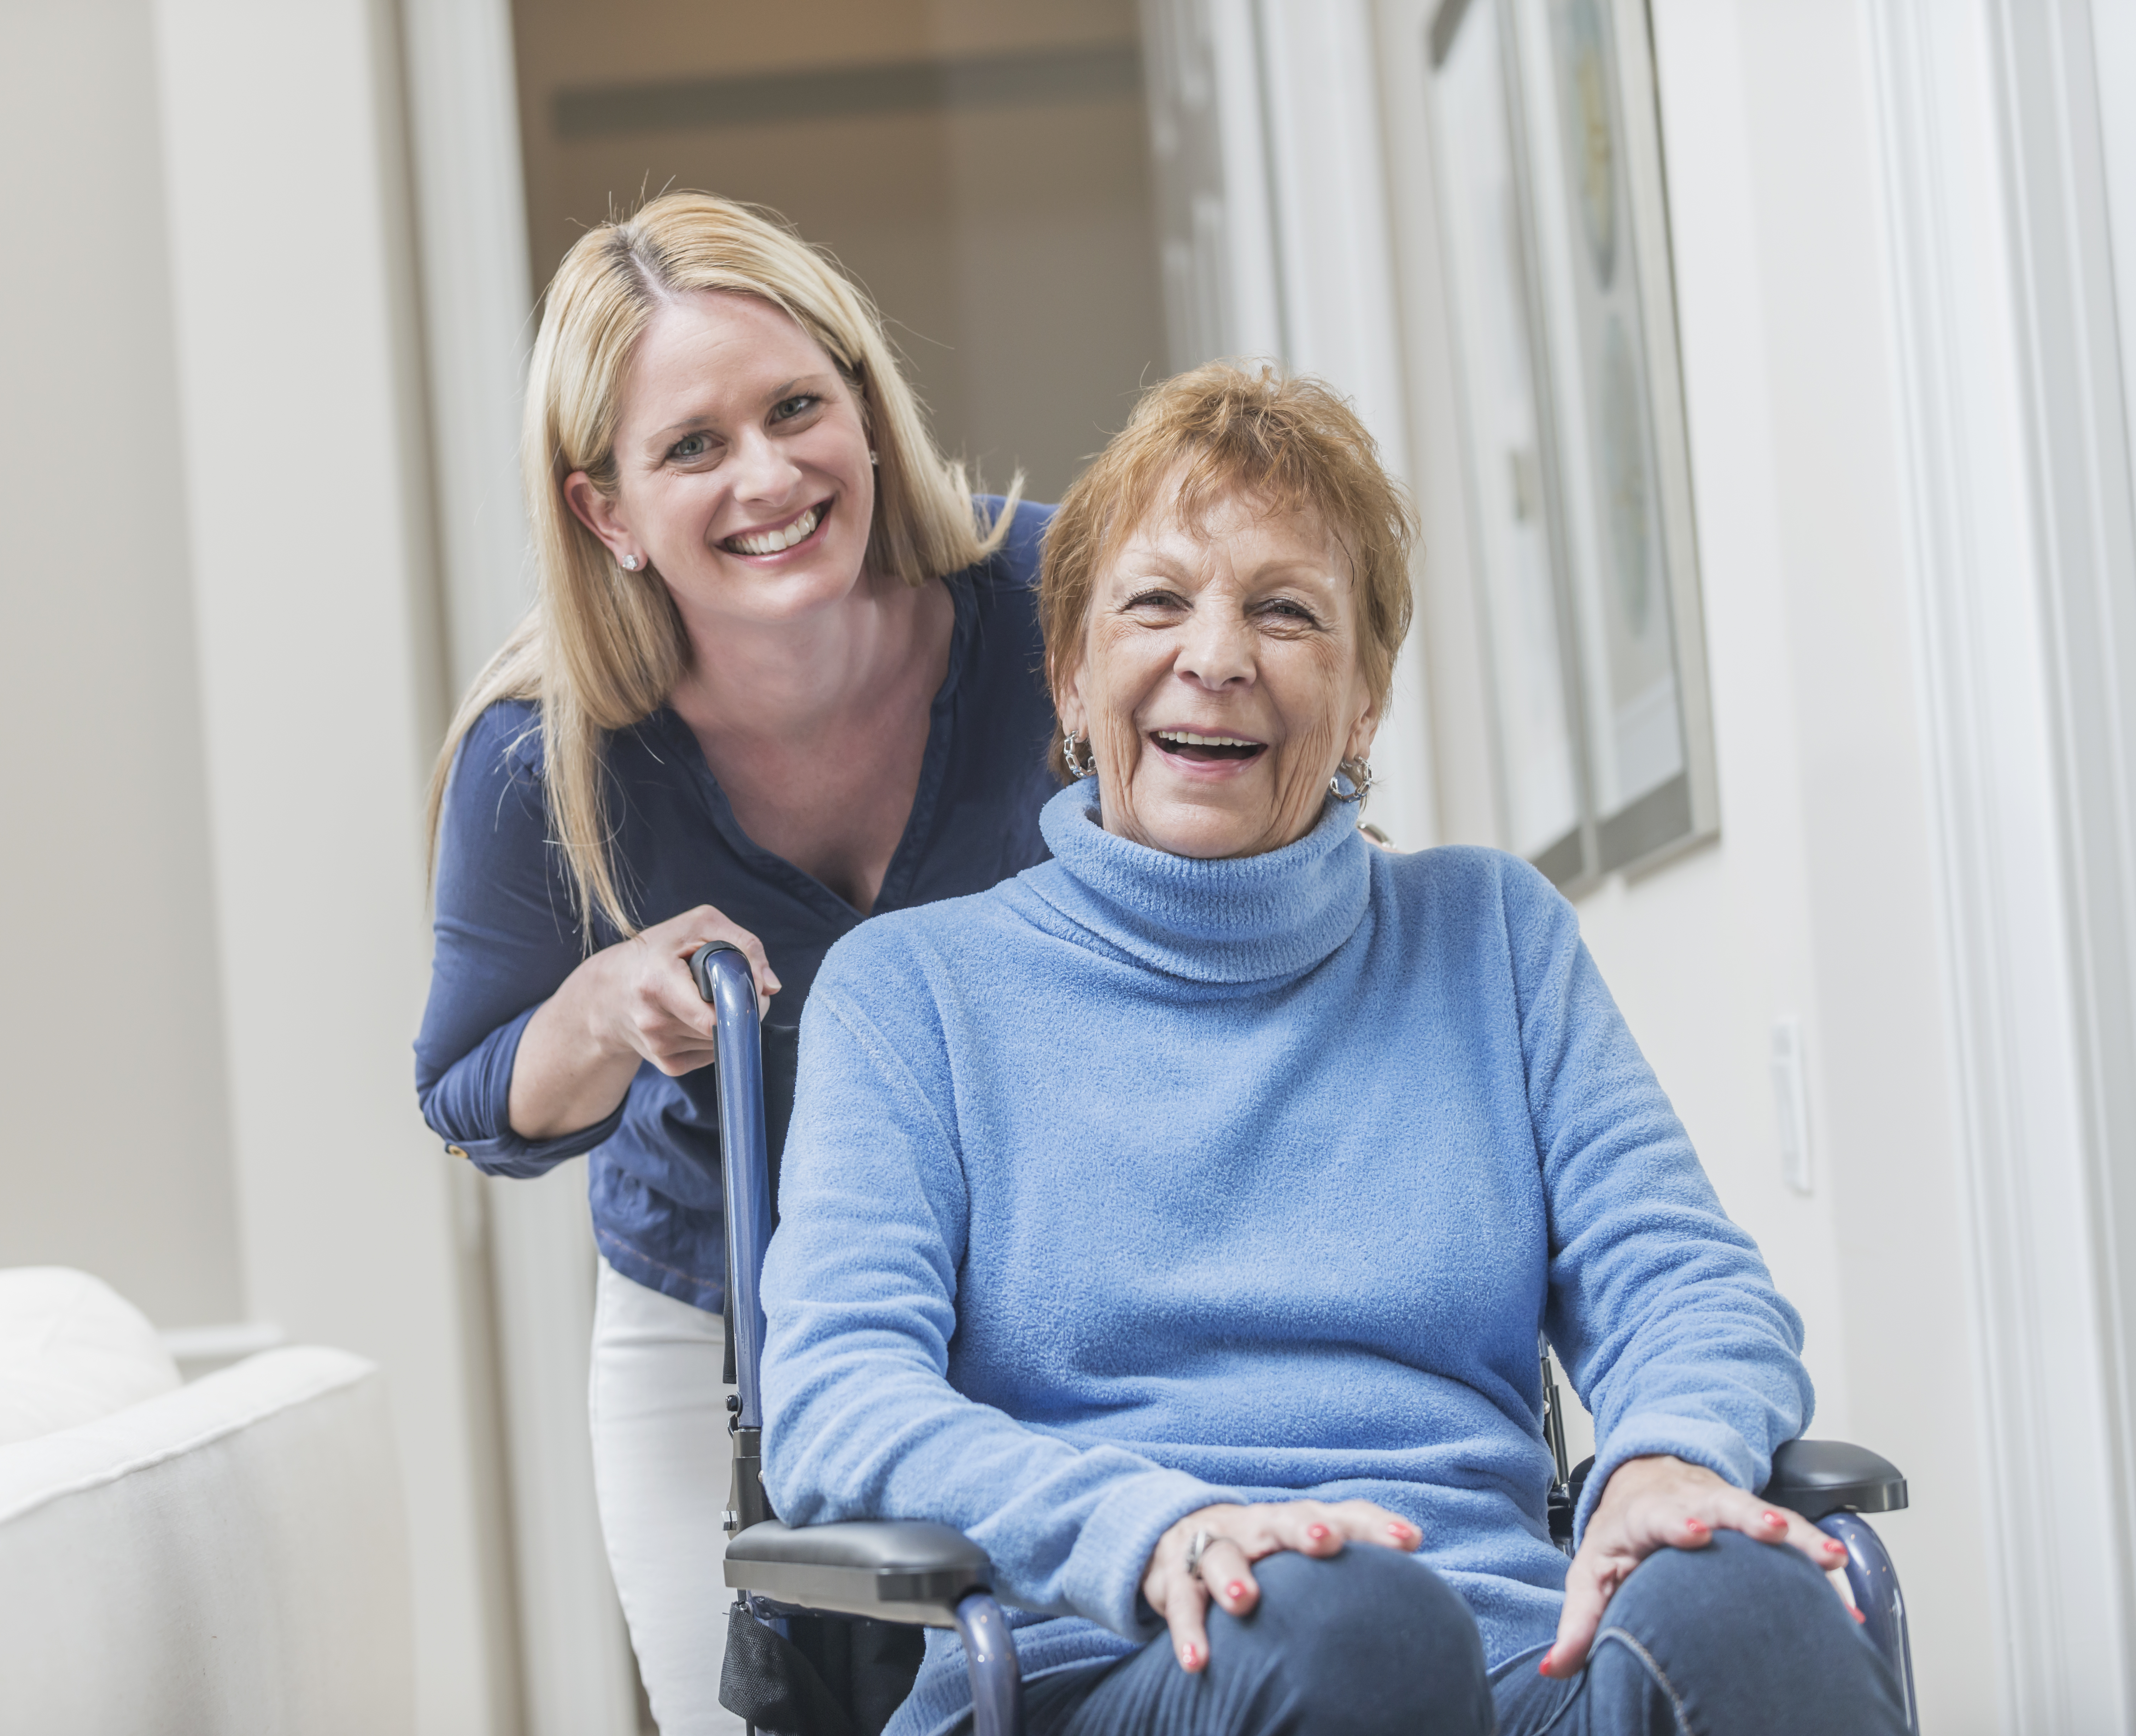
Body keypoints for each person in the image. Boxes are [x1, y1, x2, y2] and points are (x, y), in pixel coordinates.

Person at [756, 362, 1907, 1736]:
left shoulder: (1487, 936)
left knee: (1752, 1586)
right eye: (1157, 600)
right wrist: (1151, 1529)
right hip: (1108, 1662)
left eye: (1286, 611)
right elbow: (833, 1403)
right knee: (1350, 1623)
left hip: (1505, 1655)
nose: (1218, 653)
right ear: (1070, 674)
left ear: (1363, 702)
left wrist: (1663, 1460)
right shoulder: (914, 993)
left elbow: (1686, 1285)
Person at [412, 192, 1060, 1734]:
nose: (768, 476)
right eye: (692, 446)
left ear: (865, 408)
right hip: (728, 1344)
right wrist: (603, 1005)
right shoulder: (544, 759)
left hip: (1059, 1298)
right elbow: (466, 1091)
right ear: (607, 512)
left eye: (795, 409)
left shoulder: (1062, 602)